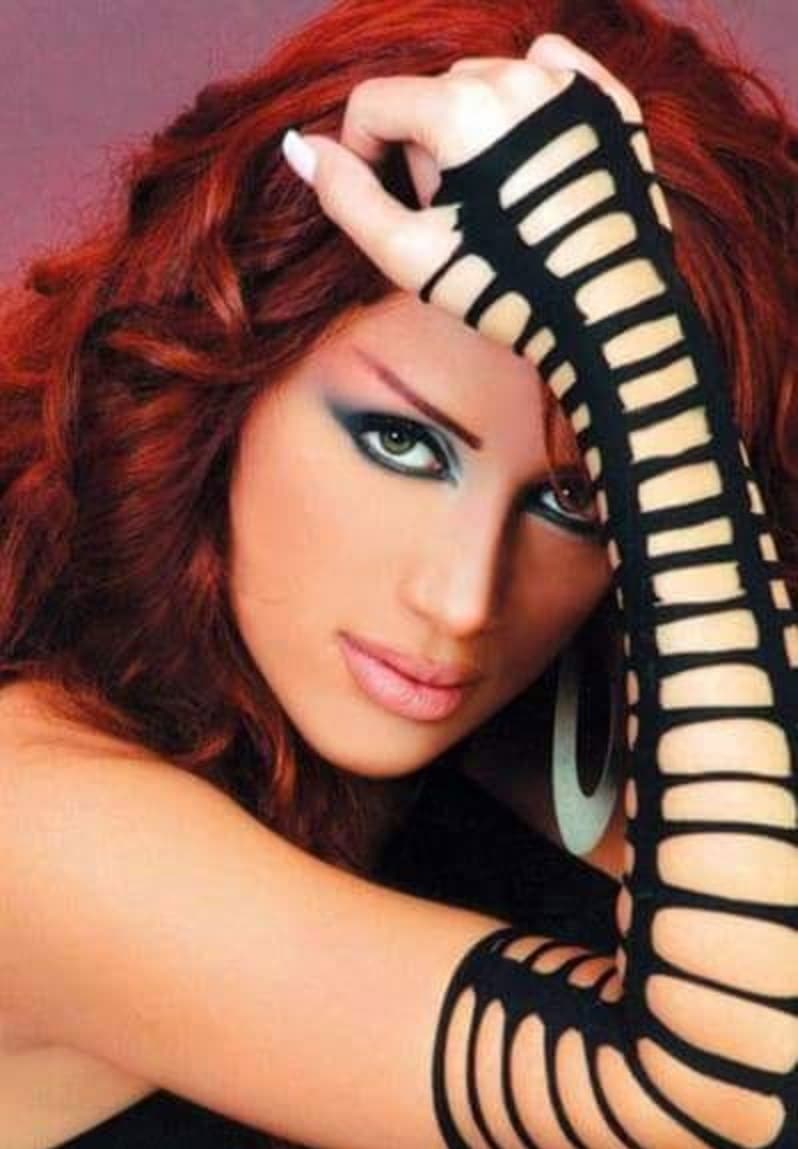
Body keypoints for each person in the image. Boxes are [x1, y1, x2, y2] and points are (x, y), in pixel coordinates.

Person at [0, 1, 795, 1147]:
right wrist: (644, 383)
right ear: (220, 376)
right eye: (400, 443)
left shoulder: (524, 739)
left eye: (574, 501)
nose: (461, 601)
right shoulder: (43, 825)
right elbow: (724, 1104)